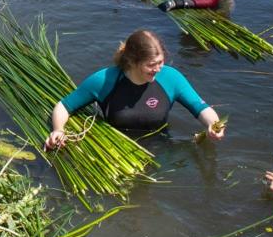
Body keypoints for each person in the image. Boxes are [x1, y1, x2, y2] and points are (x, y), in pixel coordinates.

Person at [44, 29, 225, 150]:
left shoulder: (171, 78)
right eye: (151, 65)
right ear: (131, 61)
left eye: (161, 62)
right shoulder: (104, 80)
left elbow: (200, 107)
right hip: (115, 148)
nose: (158, 69)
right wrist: (58, 129)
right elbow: (64, 106)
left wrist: (213, 124)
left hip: (160, 147)